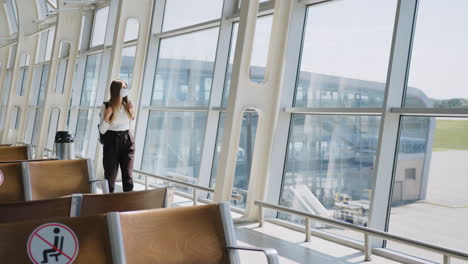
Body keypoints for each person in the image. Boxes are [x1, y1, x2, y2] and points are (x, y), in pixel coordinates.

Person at [99, 80, 135, 193]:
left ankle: (129, 206)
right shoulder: (106, 106)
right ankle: (108, 205)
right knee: (110, 177)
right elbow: (102, 130)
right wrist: (107, 117)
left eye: (126, 87)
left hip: (127, 140)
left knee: (128, 177)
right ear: (116, 90)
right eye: (123, 87)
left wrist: (132, 113)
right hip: (111, 141)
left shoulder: (128, 105)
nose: (125, 90)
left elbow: (131, 126)